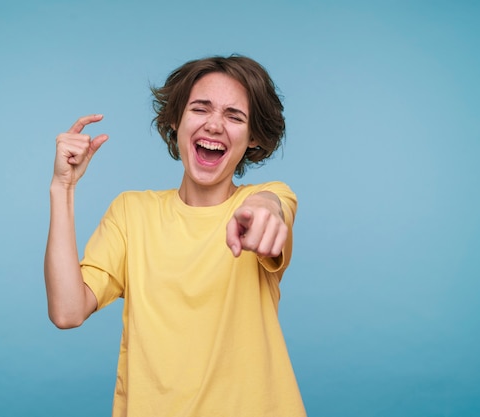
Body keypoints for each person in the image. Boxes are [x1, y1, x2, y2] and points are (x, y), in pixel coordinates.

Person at [44, 55, 307, 417]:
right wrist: (63, 188)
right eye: (201, 109)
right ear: (175, 121)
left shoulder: (264, 201)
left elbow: (273, 207)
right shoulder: (131, 213)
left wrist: (265, 210)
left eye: (234, 116)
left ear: (253, 138)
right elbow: (67, 311)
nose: (215, 125)